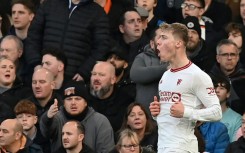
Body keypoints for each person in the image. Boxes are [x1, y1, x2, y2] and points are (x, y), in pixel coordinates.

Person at [149, 23, 222, 153]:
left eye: (164, 37)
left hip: (183, 148)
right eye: (158, 38)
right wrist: (157, 113)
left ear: (178, 43)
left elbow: (217, 112)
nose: (158, 42)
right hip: (163, 147)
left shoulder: (197, 75)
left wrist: (187, 112)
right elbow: (170, 118)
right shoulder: (165, 76)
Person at [25, 0, 111, 83]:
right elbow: (33, 36)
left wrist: (85, 72)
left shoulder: (97, 13)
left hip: (74, 78)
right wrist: (36, 64)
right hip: (42, 75)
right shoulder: (49, 5)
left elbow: (101, 47)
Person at [40, 80, 115, 153]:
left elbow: (106, 150)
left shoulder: (100, 122)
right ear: (64, 103)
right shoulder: (56, 118)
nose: (73, 103)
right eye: (69, 99)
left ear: (85, 103)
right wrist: (48, 118)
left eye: (77, 99)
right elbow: (46, 131)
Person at [130, 27, 168, 114]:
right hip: (146, 117)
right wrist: (166, 68)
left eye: (166, 37)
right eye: (160, 37)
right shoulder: (142, 57)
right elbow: (136, 74)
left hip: (170, 114)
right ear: (151, 43)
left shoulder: (176, 59)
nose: (163, 41)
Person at [89, 62, 134, 133]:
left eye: (101, 75)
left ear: (113, 80)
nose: (96, 78)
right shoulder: (82, 98)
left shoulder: (125, 101)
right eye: (94, 74)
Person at [209, 39, 245, 115]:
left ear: (238, 57)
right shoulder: (208, 79)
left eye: (232, 54)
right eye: (225, 54)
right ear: (218, 58)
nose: (229, 58)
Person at [212, 76, 242, 142]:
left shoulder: (237, 119)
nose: (217, 90)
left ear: (228, 94)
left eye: (221, 88)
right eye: (215, 87)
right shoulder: (203, 113)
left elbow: (234, 146)